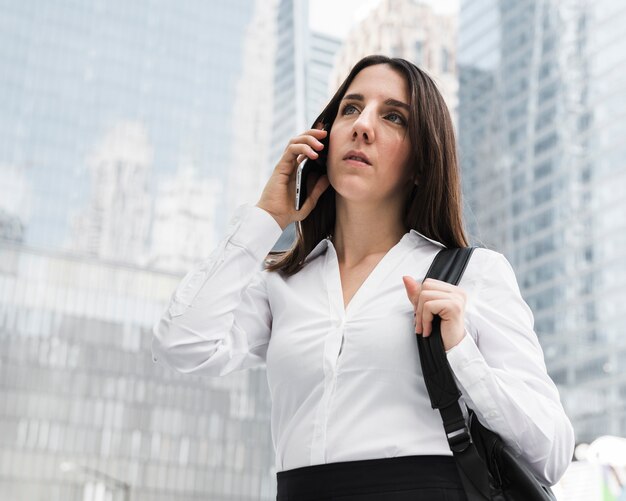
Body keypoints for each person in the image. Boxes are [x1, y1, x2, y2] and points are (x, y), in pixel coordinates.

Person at [152, 55, 574, 500]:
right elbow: (181, 345)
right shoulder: (282, 282)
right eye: (350, 109)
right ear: (323, 139)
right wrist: (267, 219)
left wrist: (461, 349)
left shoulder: (473, 274)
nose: (362, 126)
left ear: (420, 161)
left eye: (393, 117)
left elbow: (551, 451)